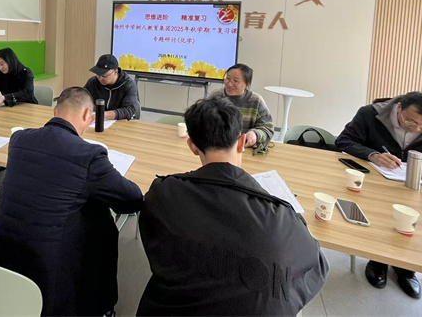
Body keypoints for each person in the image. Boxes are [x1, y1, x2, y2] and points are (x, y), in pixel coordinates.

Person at [137, 96, 328, 316]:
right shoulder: (283, 218)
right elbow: (316, 267)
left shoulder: (163, 193)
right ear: (241, 142)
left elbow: (156, 245)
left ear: (192, 146)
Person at [0, 87, 144, 316]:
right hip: (46, 276)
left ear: (55, 111)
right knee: (102, 222)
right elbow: (132, 200)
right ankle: (100, 306)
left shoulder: (19, 139)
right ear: (87, 114)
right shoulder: (89, 155)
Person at [335, 92, 422, 299]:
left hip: (417, 189)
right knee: (379, 220)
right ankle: (378, 261)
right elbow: (344, 141)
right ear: (399, 108)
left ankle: (406, 269)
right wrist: (372, 155)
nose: (417, 128)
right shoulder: (370, 114)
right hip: (376, 185)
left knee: (416, 222)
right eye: (410, 121)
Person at [210, 63, 274, 147]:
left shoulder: (256, 101)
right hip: (216, 147)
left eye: (236, 81)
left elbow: (268, 128)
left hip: (244, 148)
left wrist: (255, 134)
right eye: (228, 78)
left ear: (247, 85)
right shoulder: (216, 95)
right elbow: (202, 120)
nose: (229, 84)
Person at [84, 54, 140, 120]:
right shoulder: (93, 82)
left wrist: (103, 114)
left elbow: (129, 110)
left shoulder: (128, 84)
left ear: (115, 72)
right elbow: (83, 98)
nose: (100, 78)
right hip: (99, 121)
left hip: (121, 121)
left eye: (103, 76)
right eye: (98, 75)